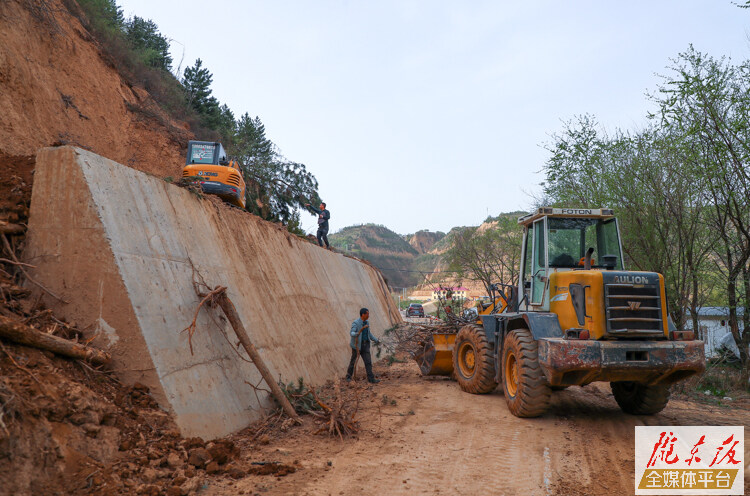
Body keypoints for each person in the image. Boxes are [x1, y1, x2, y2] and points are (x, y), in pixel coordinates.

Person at [346, 307, 380, 383]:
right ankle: (348, 376)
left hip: (365, 345)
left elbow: (369, 334)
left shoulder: (367, 323)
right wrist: (357, 334)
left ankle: (371, 379)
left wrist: (375, 340)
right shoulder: (356, 323)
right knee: (353, 361)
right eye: (367, 314)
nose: (368, 315)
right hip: (357, 346)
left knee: (368, 362)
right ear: (363, 314)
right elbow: (351, 332)